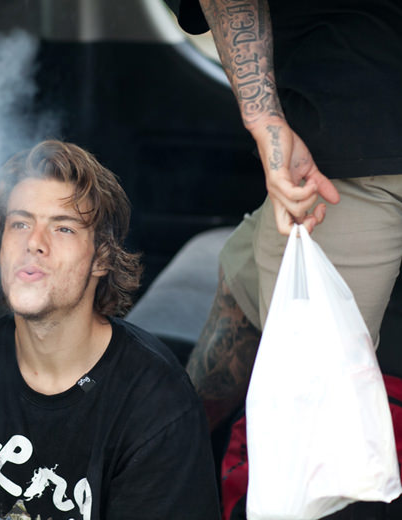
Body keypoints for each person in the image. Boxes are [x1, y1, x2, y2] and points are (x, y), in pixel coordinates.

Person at [0, 140, 220, 519]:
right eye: (20, 223)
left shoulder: (157, 406)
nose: (34, 243)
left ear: (101, 258)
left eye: (63, 228)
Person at [163, 1, 402, 431]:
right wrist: (267, 123)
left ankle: (167, 458)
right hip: (346, 154)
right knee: (242, 290)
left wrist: (265, 121)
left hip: (356, 153)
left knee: (314, 428)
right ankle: (169, 457)